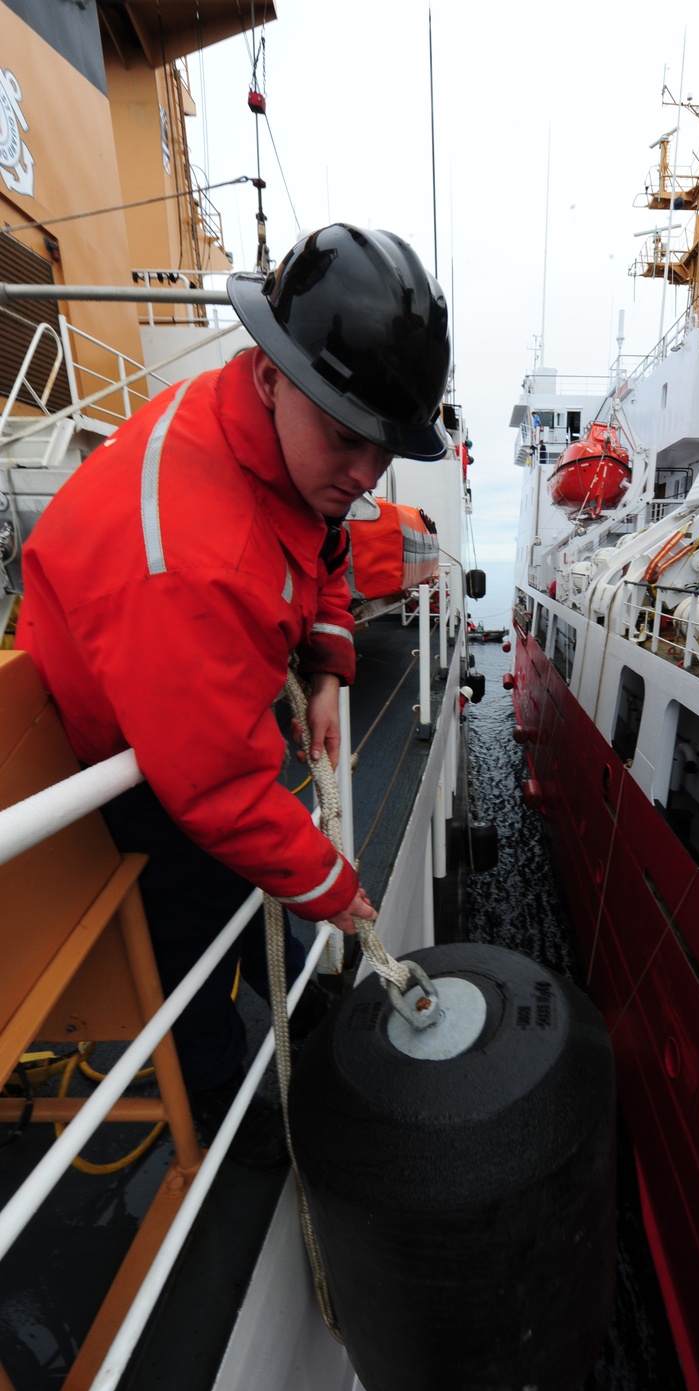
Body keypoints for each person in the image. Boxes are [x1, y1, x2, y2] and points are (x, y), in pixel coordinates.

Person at [15, 224, 451, 1163]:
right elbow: (213, 787)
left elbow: (327, 544)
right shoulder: (193, 560)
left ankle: (303, 994)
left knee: (255, 885)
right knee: (188, 907)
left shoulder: (283, 447)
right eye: (349, 439)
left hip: (200, 703)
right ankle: (221, 1098)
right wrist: (340, 891)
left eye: (383, 451)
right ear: (267, 374)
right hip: (128, 745)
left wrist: (331, 666)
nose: (366, 476)